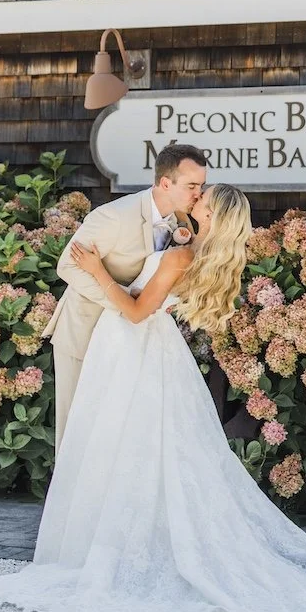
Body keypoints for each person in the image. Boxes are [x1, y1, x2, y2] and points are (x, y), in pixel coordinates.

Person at [0, 182, 306, 612]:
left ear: (214, 214)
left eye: (203, 196)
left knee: (126, 446)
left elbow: (139, 311)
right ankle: (122, 543)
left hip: (132, 344)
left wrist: (99, 272)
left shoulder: (184, 255)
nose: (195, 196)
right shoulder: (194, 248)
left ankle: (119, 552)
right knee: (140, 449)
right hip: (144, 349)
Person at [41, 143, 207, 450]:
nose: (198, 193)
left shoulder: (180, 220)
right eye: (192, 186)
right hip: (85, 331)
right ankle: (71, 498)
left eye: (201, 185)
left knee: (114, 429)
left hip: (129, 338)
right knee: (78, 427)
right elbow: (67, 266)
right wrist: (123, 299)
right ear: (166, 183)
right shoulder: (115, 216)